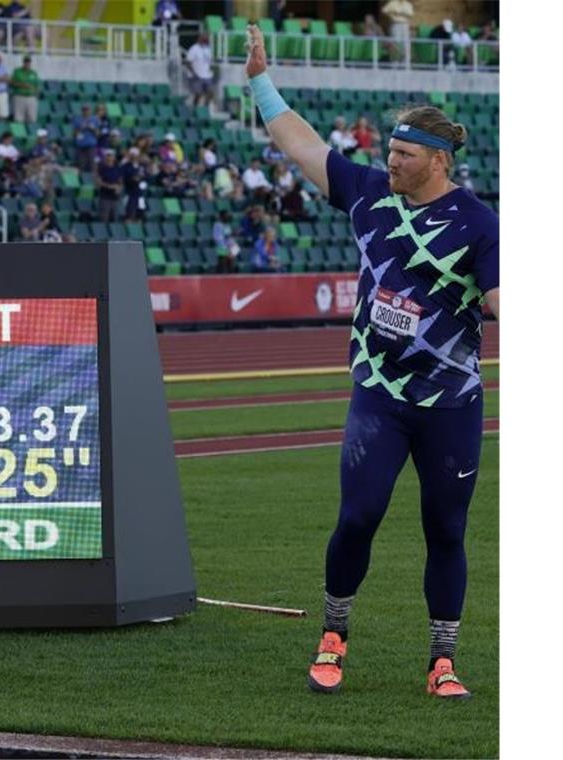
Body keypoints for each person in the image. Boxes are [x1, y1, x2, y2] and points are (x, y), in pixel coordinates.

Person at [244, 24, 499, 699]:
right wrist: (260, 83)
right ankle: (333, 637)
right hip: (379, 395)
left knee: (445, 528)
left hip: (450, 404)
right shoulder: (366, 193)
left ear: (439, 160)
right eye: (388, 148)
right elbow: (298, 142)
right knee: (358, 517)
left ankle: (442, 660)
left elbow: (502, 299)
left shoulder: (478, 222)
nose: (390, 159)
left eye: (405, 152)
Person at [184, 32, 215, 108]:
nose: (205, 40)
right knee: (198, 94)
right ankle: (195, 108)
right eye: (203, 38)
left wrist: (211, 70)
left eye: (206, 38)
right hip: (196, 76)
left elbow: (209, 62)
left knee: (211, 93)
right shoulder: (194, 49)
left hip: (207, 76)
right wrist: (194, 73)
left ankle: (205, 108)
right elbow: (188, 62)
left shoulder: (208, 49)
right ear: (199, 39)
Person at [9, 56, 40, 125]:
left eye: (28, 62)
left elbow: (37, 85)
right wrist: (22, 85)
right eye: (26, 62)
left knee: (32, 118)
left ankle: (31, 134)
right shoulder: (17, 71)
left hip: (31, 97)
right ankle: (19, 134)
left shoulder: (33, 73)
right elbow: (12, 83)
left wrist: (36, 93)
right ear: (23, 62)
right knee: (18, 118)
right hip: (20, 96)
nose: (27, 64)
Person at [95, 150, 123, 222]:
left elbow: (120, 182)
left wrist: (118, 188)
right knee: (104, 218)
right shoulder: (101, 168)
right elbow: (98, 182)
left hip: (115, 197)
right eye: (108, 156)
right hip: (105, 196)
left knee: (114, 217)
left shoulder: (117, 168)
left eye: (111, 156)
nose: (109, 158)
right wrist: (109, 186)